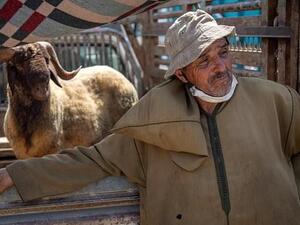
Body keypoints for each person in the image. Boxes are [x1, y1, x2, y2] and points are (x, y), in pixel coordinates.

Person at [0, 9, 299, 225]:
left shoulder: (276, 101)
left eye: (222, 52)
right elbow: (88, 162)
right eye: (204, 61)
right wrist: (14, 174)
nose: (220, 66)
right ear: (182, 74)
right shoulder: (152, 127)